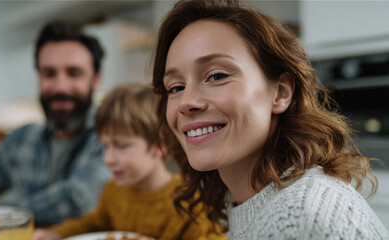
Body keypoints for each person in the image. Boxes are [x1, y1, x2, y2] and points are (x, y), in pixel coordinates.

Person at [152, 0, 389, 239]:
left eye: (217, 76)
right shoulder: (245, 201)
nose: (186, 102)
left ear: (281, 92)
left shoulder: (298, 218)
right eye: (175, 87)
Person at [32, 83, 227, 240]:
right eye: (105, 146)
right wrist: (58, 233)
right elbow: (93, 223)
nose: (108, 158)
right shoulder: (113, 192)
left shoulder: (190, 202)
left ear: (158, 146)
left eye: (121, 146)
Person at [0, 21, 111, 226]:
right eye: (49, 73)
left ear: (96, 79)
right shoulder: (20, 139)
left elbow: (77, 199)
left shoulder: (113, 137)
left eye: (74, 73)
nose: (60, 86)